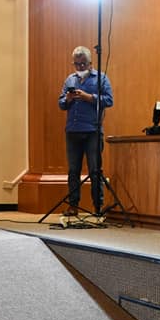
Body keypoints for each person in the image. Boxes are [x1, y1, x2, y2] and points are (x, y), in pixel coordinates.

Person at [58, 45, 113, 215]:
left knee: (95, 170)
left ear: (90, 63)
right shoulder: (70, 80)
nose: (80, 67)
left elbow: (109, 100)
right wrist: (67, 99)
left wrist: (89, 97)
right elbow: (61, 104)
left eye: (83, 64)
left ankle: (98, 207)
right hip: (72, 131)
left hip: (92, 131)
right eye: (76, 64)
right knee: (73, 171)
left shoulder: (101, 78)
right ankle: (73, 206)